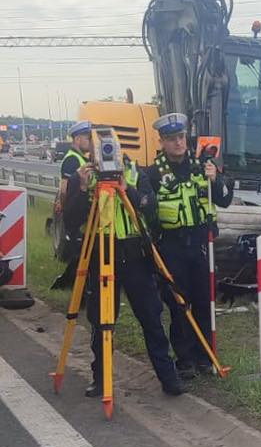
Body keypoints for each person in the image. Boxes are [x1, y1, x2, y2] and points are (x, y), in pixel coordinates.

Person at [64, 152, 185, 397]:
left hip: (134, 256)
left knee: (151, 317)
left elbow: (149, 206)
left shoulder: (134, 173)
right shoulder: (85, 177)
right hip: (101, 253)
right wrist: (83, 188)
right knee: (101, 321)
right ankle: (101, 378)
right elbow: (71, 219)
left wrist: (126, 188)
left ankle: (169, 377)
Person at [146, 113, 233, 379]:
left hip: (200, 245)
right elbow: (147, 211)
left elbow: (225, 199)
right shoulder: (153, 173)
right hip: (171, 246)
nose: (178, 143)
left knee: (204, 301)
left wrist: (216, 179)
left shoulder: (202, 166)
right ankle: (184, 360)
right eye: (172, 138)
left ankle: (205, 357)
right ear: (162, 142)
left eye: (181, 137)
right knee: (179, 304)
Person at [51, 121, 93, 290]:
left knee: (82, 252)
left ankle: (70, 284)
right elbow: (64, 189)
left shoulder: (82, 158)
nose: (90, 141)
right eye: (87, 138)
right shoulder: (72, 160)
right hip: (75, 210)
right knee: (80, 251)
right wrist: (64, 206)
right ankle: (69, 284)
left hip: (81, 208)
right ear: (77, 139)